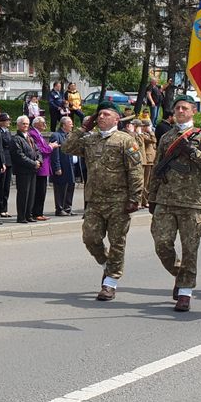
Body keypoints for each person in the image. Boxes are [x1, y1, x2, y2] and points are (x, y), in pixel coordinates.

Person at [61, 103, 142, 300]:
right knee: (90, 238)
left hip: (118, 201)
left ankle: (110, 283)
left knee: (117, 242)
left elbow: (135, 171)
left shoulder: (125, 140)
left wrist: (135, 198)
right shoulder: (91, 140)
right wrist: (83, 129)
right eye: (99, 115)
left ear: (116, 119)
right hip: (95, 200)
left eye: (106, 114)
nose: (101, 117)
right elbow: (67, 147)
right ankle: (107, 265)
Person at [148, 95, 201, 312]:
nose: (180, 111)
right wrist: (151, 197)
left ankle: (185, 291)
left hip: (192, 202)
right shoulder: (167, 137)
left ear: (193, 112)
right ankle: (180, 273)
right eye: (177, 108)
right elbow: (157, 168)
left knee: (190, 249)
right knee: (162, 244)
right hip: (166, 200)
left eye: (184, 108)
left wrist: (194, 152)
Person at [9, 115, 41, 222]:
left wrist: (39, 161)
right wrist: (33, 163)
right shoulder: (16, 139)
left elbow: (37, 151)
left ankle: (29, 215)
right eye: (23, 123)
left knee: (31, 193)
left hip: (32, 170)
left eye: (27, 123)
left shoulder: (30, 138)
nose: (26, 125)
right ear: (18, 125)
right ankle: (21, 216)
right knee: (23, 194)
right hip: (23, 171)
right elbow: (19, 156)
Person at [27, 116, 54, 219]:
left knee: (42, 191)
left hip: (44, 167)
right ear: (37, 124)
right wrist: (51, 147)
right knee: (39, 191)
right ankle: (37, 213)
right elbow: (41, 149)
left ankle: (39, 212)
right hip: (40, 167)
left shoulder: (38, 134)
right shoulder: (33, 134)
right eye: (43, 123)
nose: (45, 125)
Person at [50, 116, 76, 216]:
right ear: (64, 125)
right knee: (61, 188)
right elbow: (55, 153)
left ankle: (67, 208)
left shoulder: (70, 135)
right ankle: (59, 208)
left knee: (70, 186)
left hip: (71, 166)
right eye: (70, 124)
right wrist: (57, 167)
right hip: (62, 166)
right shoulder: (56, 136)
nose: (72, 126)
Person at [134, 117, 157, 206]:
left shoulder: (146, 134)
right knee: (143, 181)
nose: (147, 127)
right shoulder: (142, 135)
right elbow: (153, 140)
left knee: (148, 182)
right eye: (146, 126)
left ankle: (145, 200)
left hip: (150, 160)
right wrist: (150, 131)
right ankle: (142, 201)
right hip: (145, 160)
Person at [0, 112, 13, 217]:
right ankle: (0, 209)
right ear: (1, 122)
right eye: (7, 120)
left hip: (9, 160)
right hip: (3, 160)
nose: (8, 122)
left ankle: (5, 208)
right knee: (0, 187)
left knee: (6, 186)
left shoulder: (8, 131)